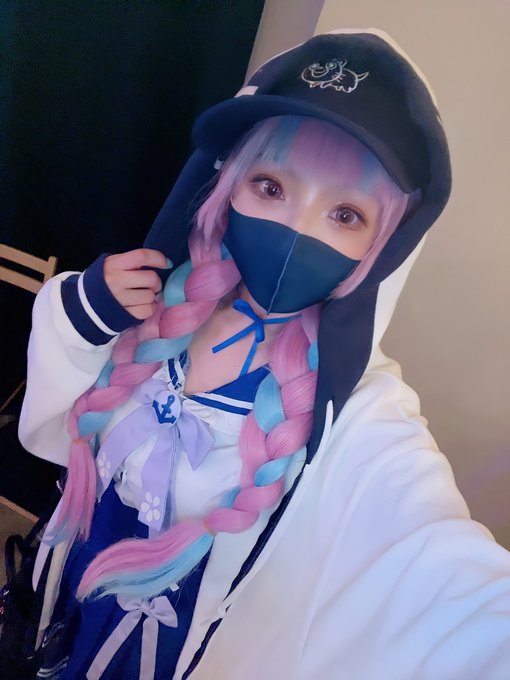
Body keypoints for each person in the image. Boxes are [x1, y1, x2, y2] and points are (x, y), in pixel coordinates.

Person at [16, 28, 510, 680]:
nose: (296, 229)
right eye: (271, 187)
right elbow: (58, 410)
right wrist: (86, 313)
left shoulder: (360, 413)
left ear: (384, 247)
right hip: (66, 600)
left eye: (345, 215)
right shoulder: (153, 305)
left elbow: (443, 570)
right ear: (227, 186)